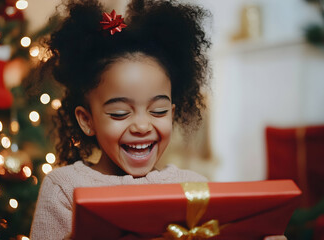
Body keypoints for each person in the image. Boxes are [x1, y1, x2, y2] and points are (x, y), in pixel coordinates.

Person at [30, 0, 287, 239]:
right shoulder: (64, 189)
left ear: (173, 114)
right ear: (87, 120)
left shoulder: (194, 187)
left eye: (158, 111)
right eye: (120, 113)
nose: (142, 126)